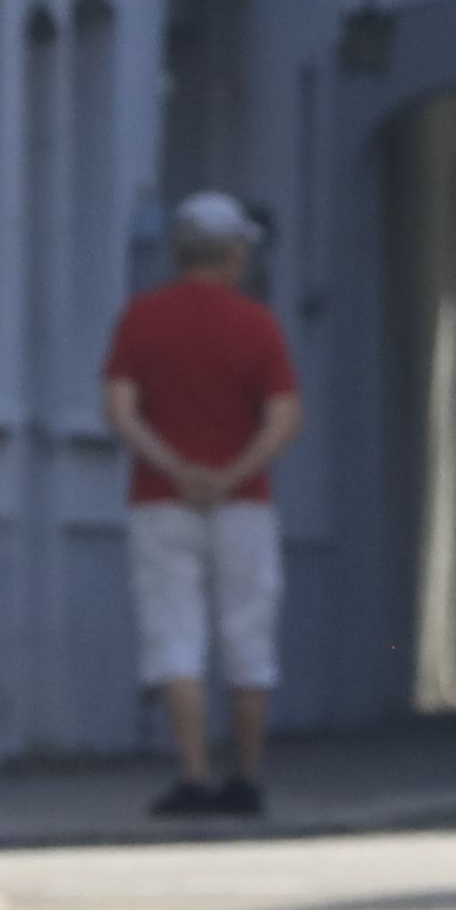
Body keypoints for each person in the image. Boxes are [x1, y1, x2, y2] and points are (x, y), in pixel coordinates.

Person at [104, 195, 301, 818]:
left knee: (175, 638)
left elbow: (121, 411)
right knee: (249, 637)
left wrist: (176, 467)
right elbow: (283, 416)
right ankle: (245, 778)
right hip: (245, 505)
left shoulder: (141, 319)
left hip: (161, 502)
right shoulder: (257, 325)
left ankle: (192, 775)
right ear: (236, 254)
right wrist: (233, 472)